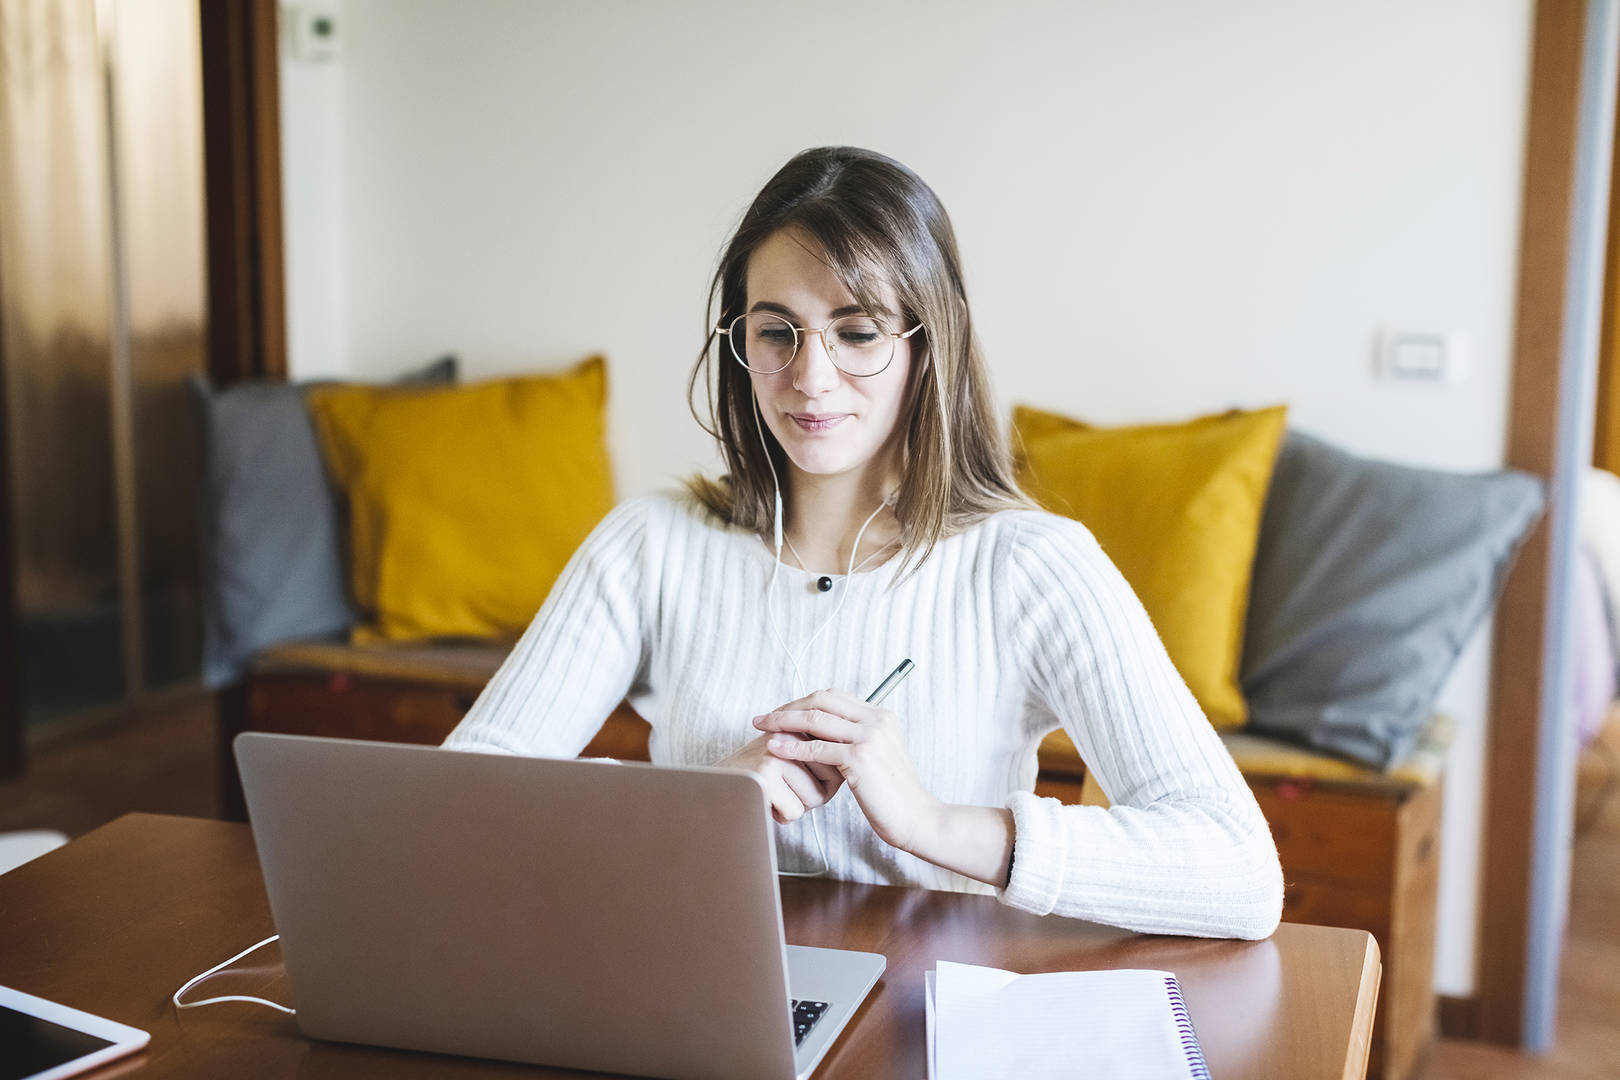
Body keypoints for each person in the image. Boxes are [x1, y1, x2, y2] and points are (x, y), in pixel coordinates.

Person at [443, 146, 1284, 940]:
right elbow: (456, 811)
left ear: (931, 342)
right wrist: (701, 808)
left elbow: (1240, 873)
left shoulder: (1035, 567)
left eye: (857, 332)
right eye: (776, 332)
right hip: (695, 995)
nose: (809, 378)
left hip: (927, 1015)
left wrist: (932, 823)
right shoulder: (648, 547)